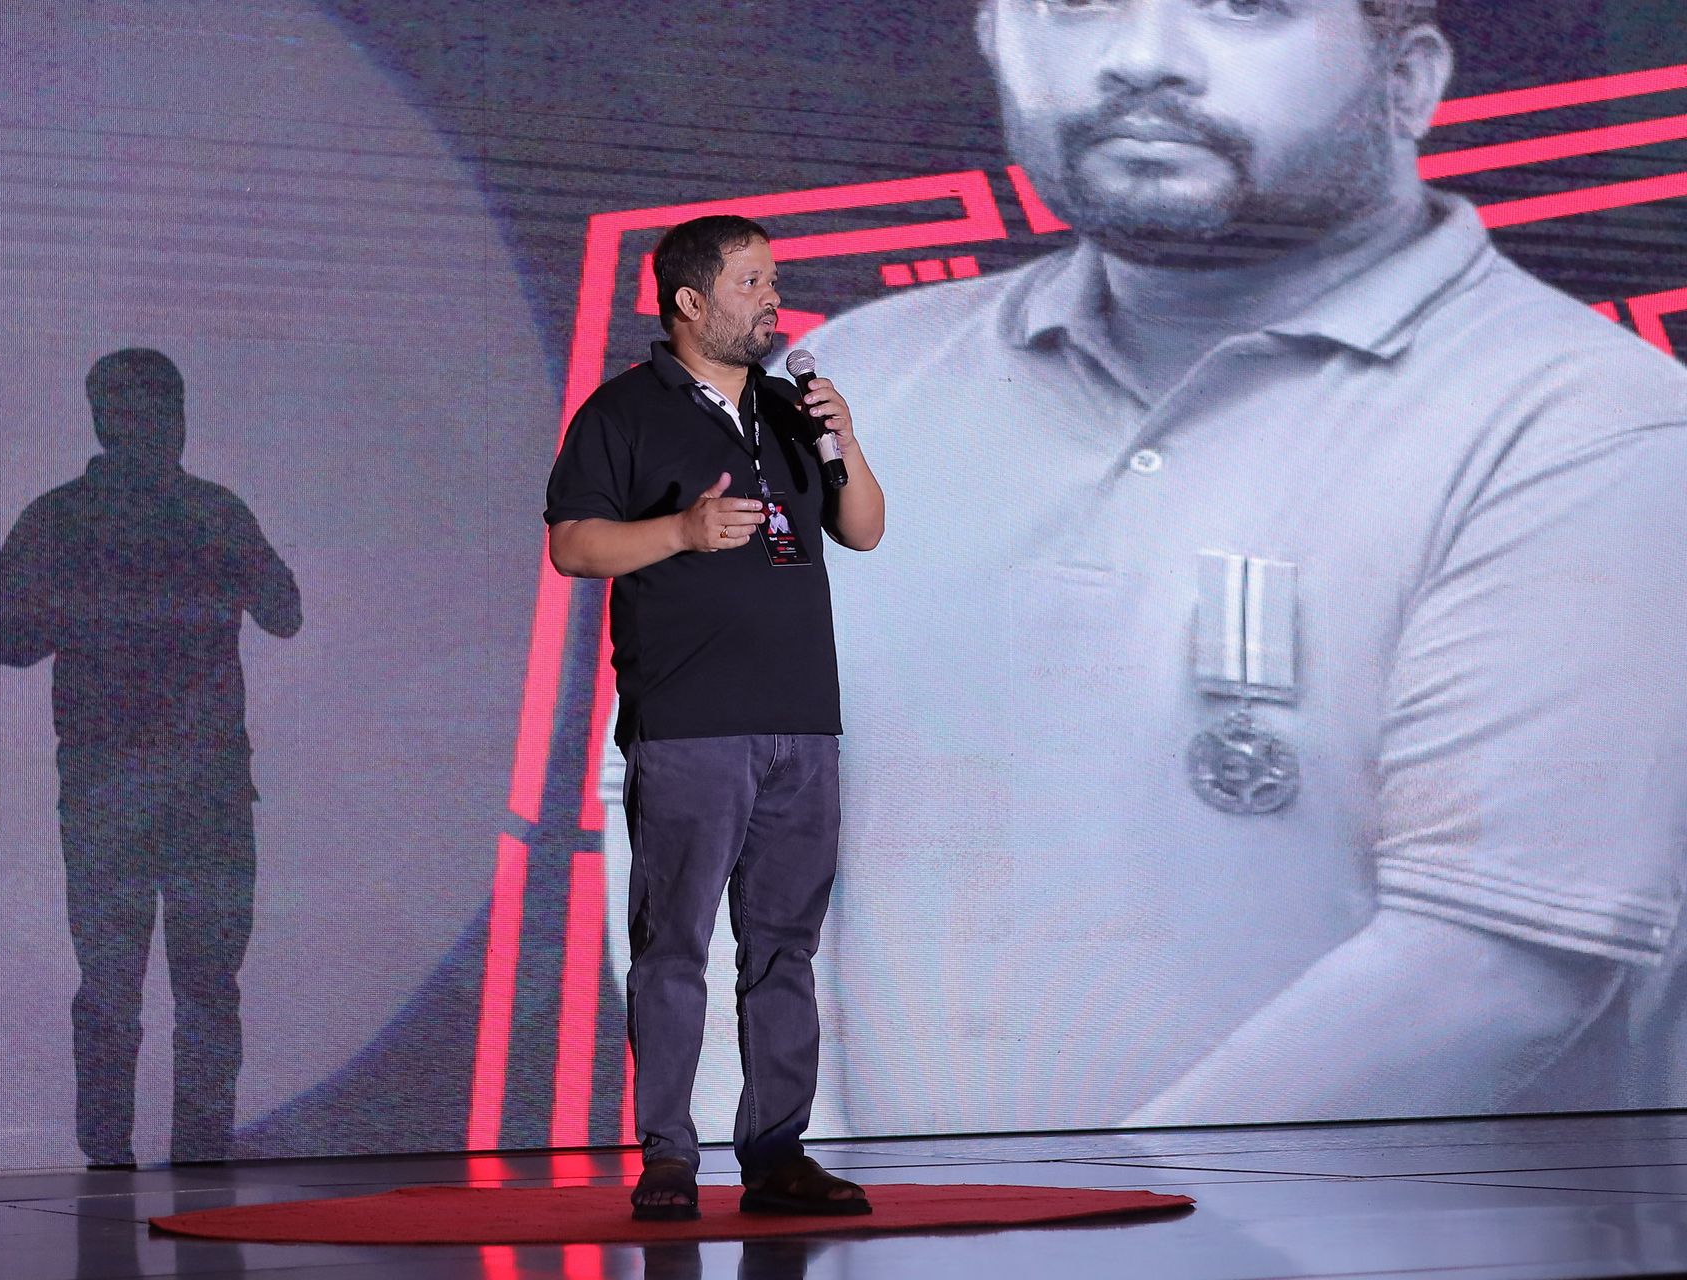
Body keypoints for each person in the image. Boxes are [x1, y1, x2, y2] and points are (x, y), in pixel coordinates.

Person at [798, 0, 1687, 1136]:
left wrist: (1021, 1251)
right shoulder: (845, 384)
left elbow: (1488, 978)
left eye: (1247, 7)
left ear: (1408, 81)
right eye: (1072, 6)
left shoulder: (1599, 432)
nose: (1137, 57)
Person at [546, 215, 886, 1219]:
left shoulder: (789, 409)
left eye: (772, 279)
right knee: (676, 946)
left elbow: (862, 528)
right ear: (692, 302)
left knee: (785, 946)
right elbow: (574, 546)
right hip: (690, 720)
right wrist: (683, 530)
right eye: (751, 281)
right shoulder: (622, 413)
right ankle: (668, 1157)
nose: (771, 299)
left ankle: (778, 1151)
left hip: (802, 720)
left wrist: (845, 438)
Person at [0, 349, 302, 1165]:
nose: (165, 426)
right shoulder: (76, 519)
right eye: (151, 409)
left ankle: (174, 1153)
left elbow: (282, 609)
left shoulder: (185, 513)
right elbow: (7, 638)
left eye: (170, 408)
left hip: (177, 789)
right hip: (135, 789)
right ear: (108, 419)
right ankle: (128, 1156)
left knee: (181, 991)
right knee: (135, 992)